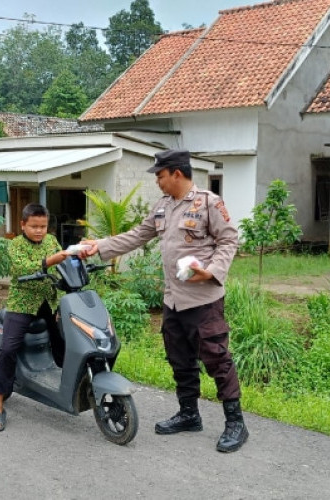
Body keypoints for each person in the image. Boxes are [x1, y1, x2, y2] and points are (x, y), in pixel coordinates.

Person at [80, 149, 249, 453]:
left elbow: (229, 239)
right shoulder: (162, 208)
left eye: (159, 175)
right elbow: (136, 236)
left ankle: (235, 422)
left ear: (177, 173)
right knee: (179, 359)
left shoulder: (209, 203)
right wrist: (99, 246)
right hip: (174, 301)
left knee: (217, 359)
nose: (157, 181)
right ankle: (188, 414)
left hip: (204, 300)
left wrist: (211, 272)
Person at [0, 203, 70, 432]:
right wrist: (50, 261)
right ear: (23, 225)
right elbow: (22, 268)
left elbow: (64, 264)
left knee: (63, 340)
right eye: (34, 226)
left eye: (43, 226)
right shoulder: (16, 245)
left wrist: (76, 260)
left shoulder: (52, 241)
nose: (39, 231)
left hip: (49, 300)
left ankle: (66, 386)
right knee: (8, 349)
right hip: (22, 303)